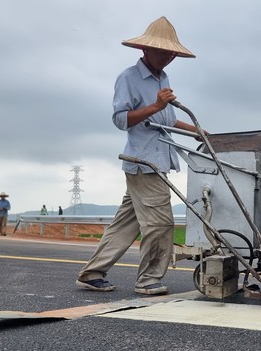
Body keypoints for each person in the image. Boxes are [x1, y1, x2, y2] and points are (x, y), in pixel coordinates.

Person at [76, 16, 201, 296]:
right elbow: (122, 119)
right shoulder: (128, 78)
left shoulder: (162, 77)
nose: (168, 57)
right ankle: (148, 280)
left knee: (125, 224)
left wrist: (196, 130)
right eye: (163, 52)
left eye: (172, 54)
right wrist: (156, 104)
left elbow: (165, 118)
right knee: (160, 224)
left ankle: (92, 273)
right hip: (144, 162)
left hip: (157, 160)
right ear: (145, 50)